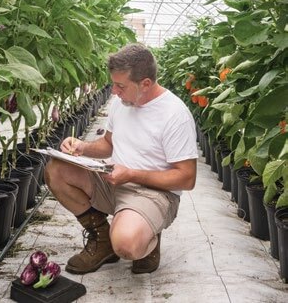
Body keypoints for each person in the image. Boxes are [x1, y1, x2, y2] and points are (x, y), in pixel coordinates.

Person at [45, 43, 198, 275]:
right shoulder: (122, 102)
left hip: (152, 192)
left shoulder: (174, 114)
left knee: (126, 244)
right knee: (56, 170)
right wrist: (81, 147)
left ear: (145, 84)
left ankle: (146, 234)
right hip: (113, 180)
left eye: (120, 86)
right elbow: (108, 144)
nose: (114, 92)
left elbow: (187, 178)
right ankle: (102, 240)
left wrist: (132, 174)